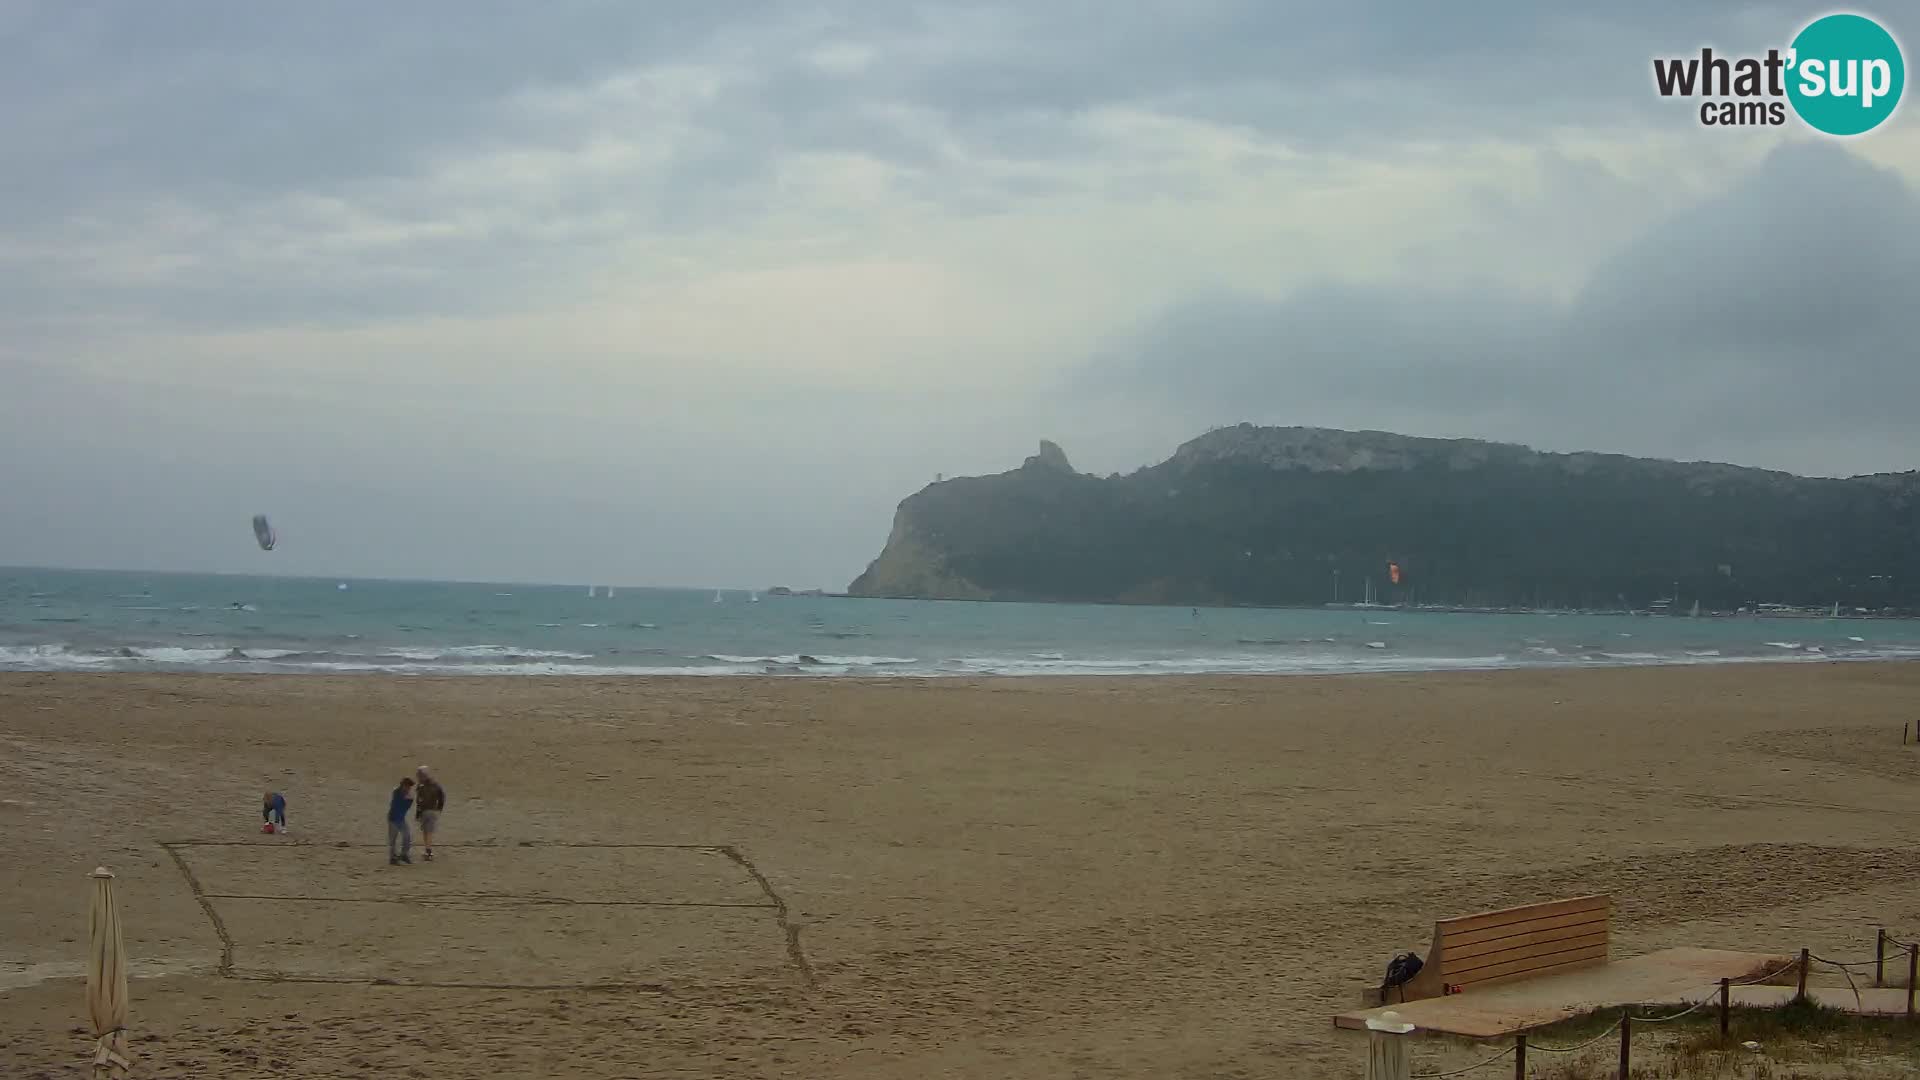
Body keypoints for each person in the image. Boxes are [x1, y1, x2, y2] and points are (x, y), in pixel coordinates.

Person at [413, 765, 446, 862]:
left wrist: (418, 813)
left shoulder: (421, 786)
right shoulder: (435, 784)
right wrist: (439, 807)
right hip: (432, 811)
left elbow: (419, 801)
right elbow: (441, 796)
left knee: (426, 831)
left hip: (425, 811)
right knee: (429, 831)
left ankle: (428, 851)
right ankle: (428, 850)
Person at [387, 777, 415, 865]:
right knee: (393, 840)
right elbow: (396, 805)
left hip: (401, 819)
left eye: (409, 787)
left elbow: (406, 807)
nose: (409, 788)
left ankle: (404, 854)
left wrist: (408, 799)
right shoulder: (397, 792)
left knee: (407, 836)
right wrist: (407, 798)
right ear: (403, 785)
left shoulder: (408, 796)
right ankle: (393, 858)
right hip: (393, 819)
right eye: (407, 786)